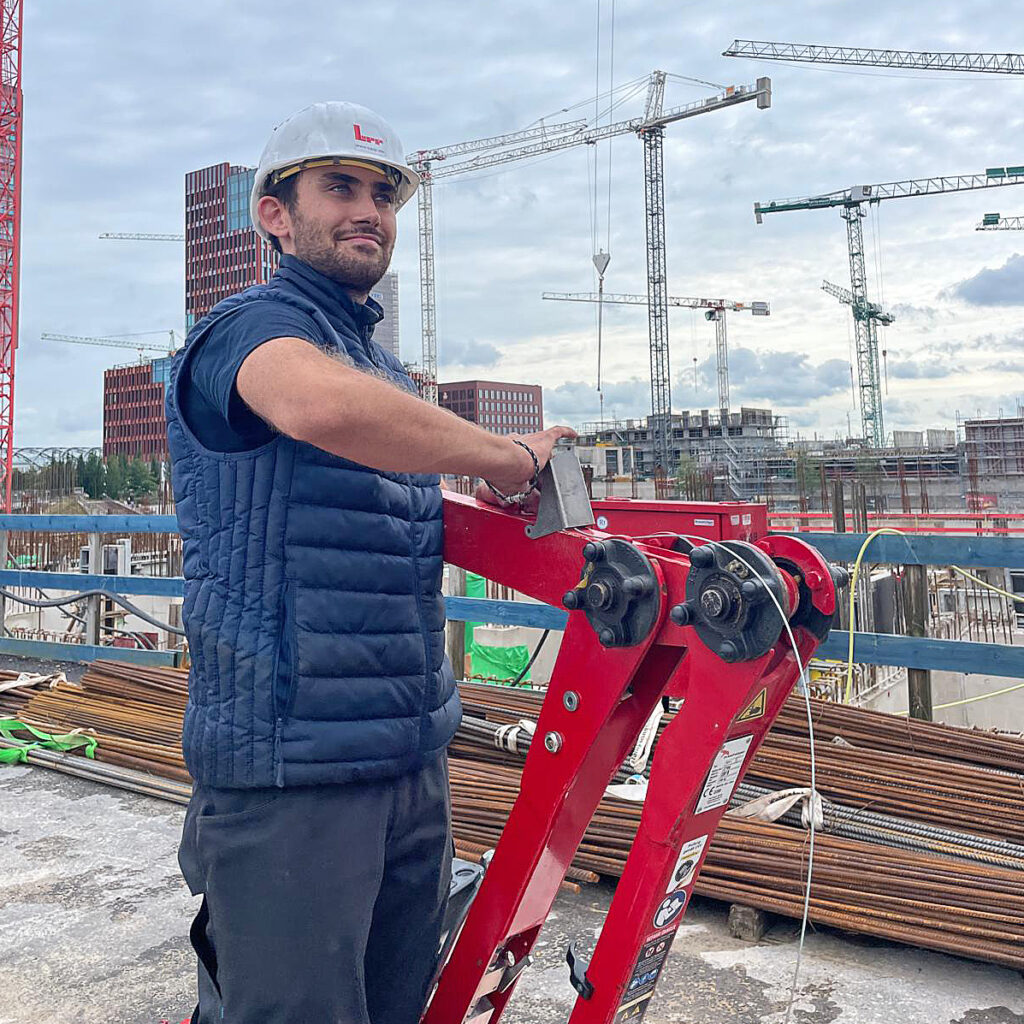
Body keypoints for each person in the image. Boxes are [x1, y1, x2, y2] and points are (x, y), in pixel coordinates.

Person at [165, 100, 576, 1024]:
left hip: (407, 763)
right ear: (275, 214)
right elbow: (316, 408)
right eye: (339, 187)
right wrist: (508, 458)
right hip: (292, 777)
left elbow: (402, 485)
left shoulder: (383, 373)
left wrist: (504, 493)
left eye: (384, 196)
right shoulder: (246, 329)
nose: (370, 212)